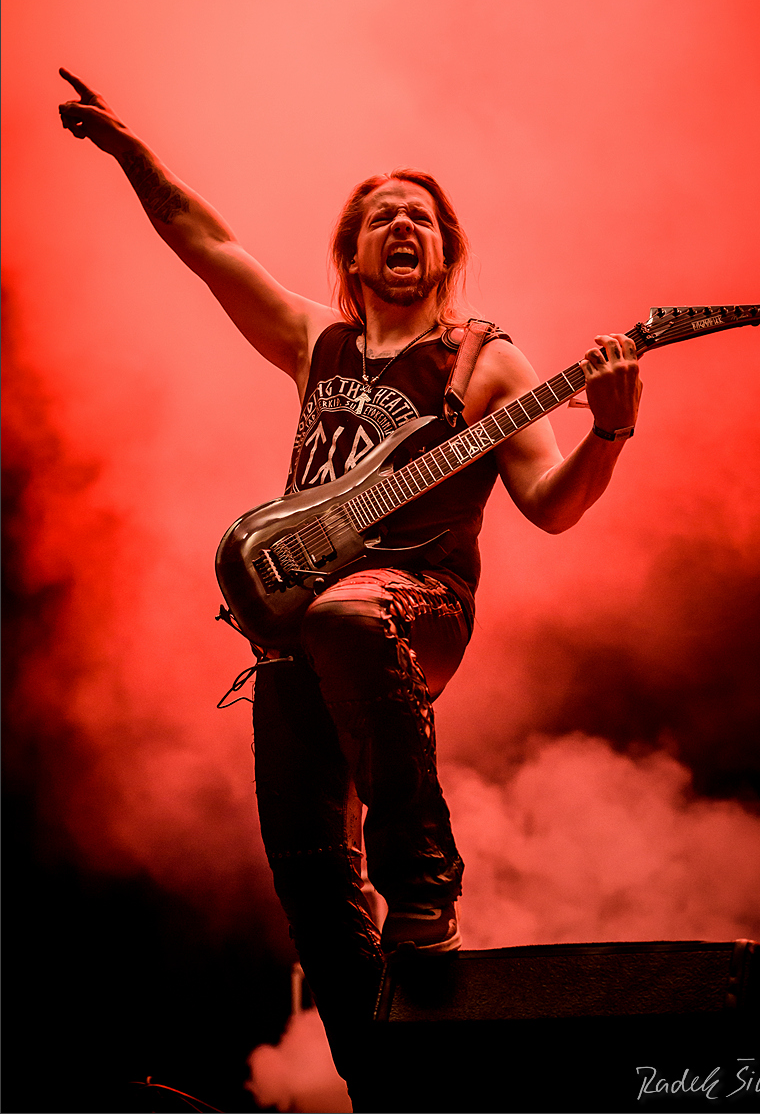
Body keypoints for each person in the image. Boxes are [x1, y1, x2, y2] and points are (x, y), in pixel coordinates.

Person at [59, 68, 642, 1099]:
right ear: (354, 254)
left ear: (446, 250)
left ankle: (424, 889)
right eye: (382, 217)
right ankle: (392, 1090)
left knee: (350, 615)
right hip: (300, 633)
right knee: (310, 880)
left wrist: (610, 429)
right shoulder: (312, 342)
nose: (403, 225)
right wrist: (128, 151)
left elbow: (552, 507)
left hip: (416, 607)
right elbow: (202, 240)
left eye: (421, 217)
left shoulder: (488, 364)